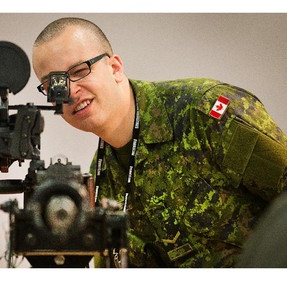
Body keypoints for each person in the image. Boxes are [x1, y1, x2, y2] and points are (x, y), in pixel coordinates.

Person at [31, 17, 287, 267]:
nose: (71, 92)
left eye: (79, 71)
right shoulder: (100, 180)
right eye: (54, 85)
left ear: (115, 68)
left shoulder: (204, 114)